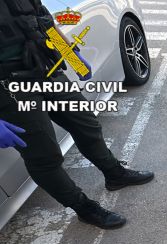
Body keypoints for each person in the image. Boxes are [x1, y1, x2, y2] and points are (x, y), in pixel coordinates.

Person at [0, 0, 154, 229]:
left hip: (44, 69)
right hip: (8, 87)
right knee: (44, 156)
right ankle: (84, 208)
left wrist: (71, 57)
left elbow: (44, 21)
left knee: (87, 124)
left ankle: (114, 174)